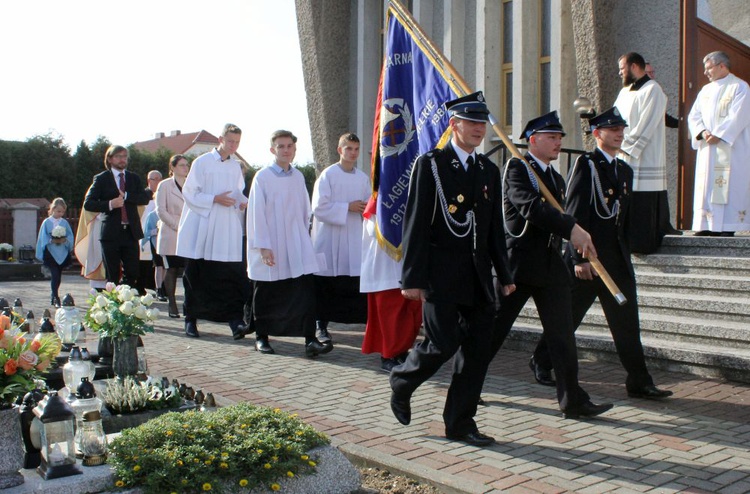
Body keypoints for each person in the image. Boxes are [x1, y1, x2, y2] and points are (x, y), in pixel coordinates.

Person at [389, 91, 515, 447]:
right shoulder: (430, 165)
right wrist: (412, 278)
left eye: (482, 123)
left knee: (476, 352)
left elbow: (493, 230)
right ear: (453, 124)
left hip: (477, 277)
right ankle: (403, 379)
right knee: (442, 343)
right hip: (440, 274)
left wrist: (504, 277)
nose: (478, 129)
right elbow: (415, 223)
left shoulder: (487, 169)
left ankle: (460, 422)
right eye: (471, 122)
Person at [529, 107, 673, 400]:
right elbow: (575, 212)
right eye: (613, 129)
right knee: (568, 317)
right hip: (588, 258)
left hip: (616, 260)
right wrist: (579, 258)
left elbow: (624, 218)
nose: (620, 134)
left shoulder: (624, 170)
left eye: (621, 129)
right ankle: (541, 360)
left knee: (627, 322)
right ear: (597, 134)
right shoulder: (587, 165)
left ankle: (639, 381)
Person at [488, 110, 613, 419]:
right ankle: (468, 386)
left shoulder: (555, 178)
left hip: (549, 266)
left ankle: (573, 400)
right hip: (517, 265)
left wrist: (573, 246)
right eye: (552, 137)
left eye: (560, 138)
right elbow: (531, 209)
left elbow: (559, 220)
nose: (558, 142)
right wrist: (571, 227)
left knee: (562, 334)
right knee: (490, 332)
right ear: (533, 140)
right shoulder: (517, 169)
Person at [245, 130, 331, 357]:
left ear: (294, 149)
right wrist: (263, 246)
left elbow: (305, 210)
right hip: (271, 242)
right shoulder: (263, 177)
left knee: (303, 291)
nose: (286, 150)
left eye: (289, 146)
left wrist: (304, 238)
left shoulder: (298, 176)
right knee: (267, 291)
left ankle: (309, 339)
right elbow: (256, 214)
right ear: (272, 150)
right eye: (281, 146)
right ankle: (261, 337)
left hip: (295, 241)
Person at [175, 124, 249, 339]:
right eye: (230, 141)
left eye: (237, 142)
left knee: (228, 276)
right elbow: (189, 192)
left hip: (225, 228)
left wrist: (242, 202)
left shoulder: (236, 166)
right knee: (196, 275)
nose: (234, 145)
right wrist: (214, 199)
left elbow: (237, 192)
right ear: (221, 139)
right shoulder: (202, 162)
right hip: (203, 226)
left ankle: (234, 321)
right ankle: (191, 320)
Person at [614, 52, 678, 253]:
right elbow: (615, 118)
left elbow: (647, 125)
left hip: (644, 155)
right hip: (623, 154)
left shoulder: (653, 90)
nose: (620, 73)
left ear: (634, 66)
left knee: (642, 203)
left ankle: (642, 244)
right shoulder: (624, 92)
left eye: (622, 68)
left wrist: (625, 145)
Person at [311, 133, 371, 343]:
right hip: (331, 237)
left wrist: (364, 208)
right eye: (349, 149)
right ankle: (321, 325)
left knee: (352, 280)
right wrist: (347, 207)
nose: (353, 153)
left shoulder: (362, 178)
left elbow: (368, 205)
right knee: (326, 283)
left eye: (356, 149)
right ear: (340, 150)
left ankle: (361, 323)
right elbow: (319, 207)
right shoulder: (328, 175)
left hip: (354, 235)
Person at [688, 51, 750, 237]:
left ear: (722, 66)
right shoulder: (705, 90)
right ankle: (706, 224)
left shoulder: (740, 87)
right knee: (707, 184)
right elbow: (694, 115)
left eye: (709, 68)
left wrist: (719, 134)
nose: (706, 73)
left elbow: (739, 115)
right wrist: (702, 132)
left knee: (728, 185)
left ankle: (727, 227)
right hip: (708, 148)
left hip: (730, 148)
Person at [360, 196, 422, 372]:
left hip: (406, 264)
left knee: (410, 311)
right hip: (385, 266)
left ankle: (401, 351)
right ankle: (388, 354)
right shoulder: (378, 200)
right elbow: (374, 229)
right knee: (390, 314)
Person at [83, 144, 152, 286]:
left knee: (132, 272)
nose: (122, 160)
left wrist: (126, 196)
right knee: (112, 274)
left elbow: (144, 198)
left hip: (131, 232)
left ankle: (129, 305)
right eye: (118, 156)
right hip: (110, 233)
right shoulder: (102, 179)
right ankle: (113, 305)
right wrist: (109, 204)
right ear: (109, 159)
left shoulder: (133, 178)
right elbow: (88, 203)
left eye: (125, 156)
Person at [155, 154, 189, 318]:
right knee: (172, 269)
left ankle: (190, 304)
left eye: (186, 165)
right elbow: (161, 210)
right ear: (173, 167)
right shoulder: (165, 185)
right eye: (182, 165)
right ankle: (172, 303)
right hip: (171, 232)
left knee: (189, 269)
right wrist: (177, 226)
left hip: (189, 233)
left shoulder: (192, 185)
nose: (185, 168)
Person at [35, 197, 75, 307]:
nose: (60, 214)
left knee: (59, 275)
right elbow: (43, 237)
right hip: (51, 253)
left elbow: (70, 236)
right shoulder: (47, 222)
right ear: (52, 209)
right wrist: (51, 240)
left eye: (62, 212)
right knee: (55, 274)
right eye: (58, 211)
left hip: (62, 252)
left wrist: (65, 240)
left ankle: (53, 295)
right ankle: (56, 297)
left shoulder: (64, 223)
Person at [140, 170, 165, 298]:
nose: (156, 182)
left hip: (162, 236)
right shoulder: (143, 195)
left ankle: (161, 287)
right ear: (148, 180)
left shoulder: (164, 193)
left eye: (159, 179)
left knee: (162, 264)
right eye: (154, 179)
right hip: (148, 235)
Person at [644, 63, 680, 129]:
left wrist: (679, 123)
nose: (652, 75)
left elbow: (660, 114)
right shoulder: (646, 91)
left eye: (653, 72)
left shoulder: (654, 88)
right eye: (649, 73)